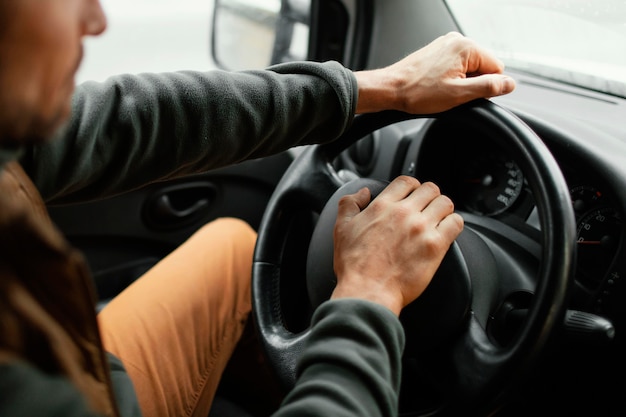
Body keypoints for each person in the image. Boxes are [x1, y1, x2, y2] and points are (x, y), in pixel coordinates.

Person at [0, 0, 516, 416]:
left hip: (86, 369)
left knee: (231, 247)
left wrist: (382, 88)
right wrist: (370, 292)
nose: (95, 18)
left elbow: (127, 121)